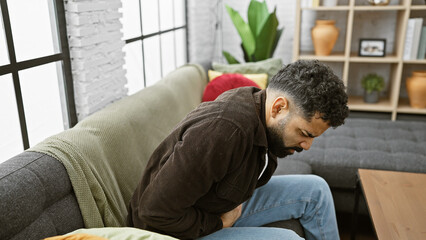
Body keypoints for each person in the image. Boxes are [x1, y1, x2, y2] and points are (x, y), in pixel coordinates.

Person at [128, 60, 349, 240]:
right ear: (279, 107)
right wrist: (218, 223)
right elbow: (154, 213)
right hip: (171, 230)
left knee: (315, 190)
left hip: (215, 203)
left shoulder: (258, 107)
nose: (307, 146)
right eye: (304, 133)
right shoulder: (223, 132)